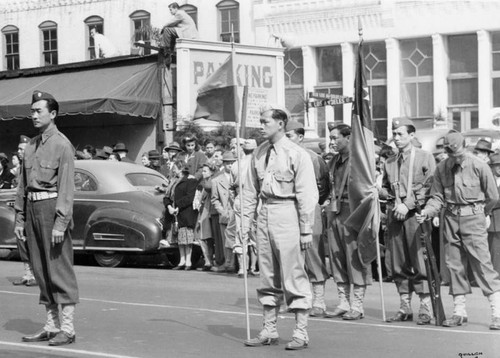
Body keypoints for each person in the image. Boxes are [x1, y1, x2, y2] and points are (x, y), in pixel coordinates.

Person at [238, 104, 318, 350]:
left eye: (265, 122)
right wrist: (244, 222)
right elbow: (249, 190)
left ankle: (301, 332)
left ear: (281, 124)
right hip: (265, 213)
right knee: (267, 274)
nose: (261, 126)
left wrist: (306, 229)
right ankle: (269, 329)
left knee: (293, 273)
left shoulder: (296, 154)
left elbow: (307, 194)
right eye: (261, 121)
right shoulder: (260, 153)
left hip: (288, 213)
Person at [14, 90, 79, 346]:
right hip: (32, 211)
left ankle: (68, 328)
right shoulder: (30, 145)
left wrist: (61, 223)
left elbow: (66, 188)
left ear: (53, 114)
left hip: (52, 209)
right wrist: (20, 219)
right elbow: (22, 185)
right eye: (32, 111)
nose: (34, 115)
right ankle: (52, 326)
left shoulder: (62, 144)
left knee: (59, 270)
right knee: (41, 270)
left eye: (39, 110)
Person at [417, 132, 500, 330]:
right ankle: (459, 312)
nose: (455, 157)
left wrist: (482, 214)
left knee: (482, 265)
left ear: (465, 147)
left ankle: (497, 313)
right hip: (451, 218)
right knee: (454, 265)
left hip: (474, 218)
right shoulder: (442, 168)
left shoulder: (479, 166)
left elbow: (493, 197)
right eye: (450, 153)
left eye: (457, 153)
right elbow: (437, 197)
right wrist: (428, 212)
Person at [380, 117, 436, 325]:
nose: (396, 138)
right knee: (397, 260)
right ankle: (405, 305)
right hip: (396, 214)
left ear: (412, 135)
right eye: (394, 134)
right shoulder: (390, 161)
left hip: (415, 214)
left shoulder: (424, 157)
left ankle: (425, 306)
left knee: (419, 260)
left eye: (400, 134)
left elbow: (429, 186)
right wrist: (379, 190)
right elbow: (387, 188)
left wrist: (409, 204)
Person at [324, 124, 372, 320]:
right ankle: (343, 301)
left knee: (355, 258)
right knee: (337, 257)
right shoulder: (334, 160)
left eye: (335, 138)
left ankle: (358, 304)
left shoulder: (358, 161)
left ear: (348, 138)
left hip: (352, 212)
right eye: (331, 138)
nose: (332, 142)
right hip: (335, 211)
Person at [285, 121, 330, 317]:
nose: (286, 140)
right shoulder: (279, 157)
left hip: (310, 210)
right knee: (291, 256)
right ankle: (298, 298)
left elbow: (324, 186)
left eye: (290, 136)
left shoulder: (313, 158)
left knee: (313, 254)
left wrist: (311, 205)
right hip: (287, 211)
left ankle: (318, 300)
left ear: (300, 137)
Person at [11, 135, 37, 287]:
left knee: (31, 242)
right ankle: (28, 273)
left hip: (31, 207)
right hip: (21, 208)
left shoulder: (32, 165)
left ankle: (35, 275)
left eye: (22, 149)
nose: (19, 152)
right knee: (21, 240)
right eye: (19, 149)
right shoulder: (21, 167)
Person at [165, 160, 199, 270]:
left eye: (174, 167)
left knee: (187, 239)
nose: (173, 169)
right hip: (175, 213)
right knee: (180, 239)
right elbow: (167, 197)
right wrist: (169, 207)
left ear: (180, 168)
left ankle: (188, 261)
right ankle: (181, 260)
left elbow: (189, 197)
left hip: (185, 212)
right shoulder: (173, 181)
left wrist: (177, 206)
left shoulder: (191, 180)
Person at [211, 151, 237, 274]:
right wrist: (222, 211)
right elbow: (214, 199)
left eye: (232, 163)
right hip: (226, 214)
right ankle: (229, 264)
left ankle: (244, 265)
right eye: (228, 163)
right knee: (226, 240)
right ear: (224, 164)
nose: (230, 165)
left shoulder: (239, 177)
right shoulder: (217, 180)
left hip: (238, 212)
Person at [488, 152, 500, 275]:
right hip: (491, 221)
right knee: (493, 249)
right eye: (497, 165)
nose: (499, 168)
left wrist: (491, 203)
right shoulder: (488, 180)